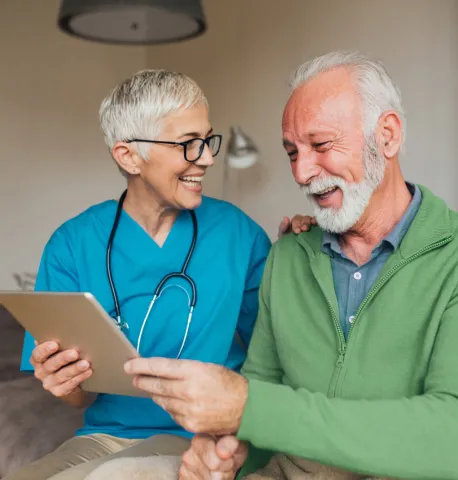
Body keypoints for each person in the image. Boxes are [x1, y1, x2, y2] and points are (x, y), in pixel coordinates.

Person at [118, 52, 458, 480]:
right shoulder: (287, 256)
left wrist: (248, 407)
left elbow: (456, 437)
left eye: (322, 145)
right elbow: (261, 399)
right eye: (292, 152)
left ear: (387, 136)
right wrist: (229, 453)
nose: (303, 172)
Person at [8, 69, 313, 480]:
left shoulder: (236, 234)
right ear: (128, 156)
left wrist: (301, 257)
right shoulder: (71, 245)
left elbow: (285, 350)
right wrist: (64, 382)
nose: (206, 157)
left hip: (201, 437)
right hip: (105, 435)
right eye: (189, 145)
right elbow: (79, 398)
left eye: (207, 140)